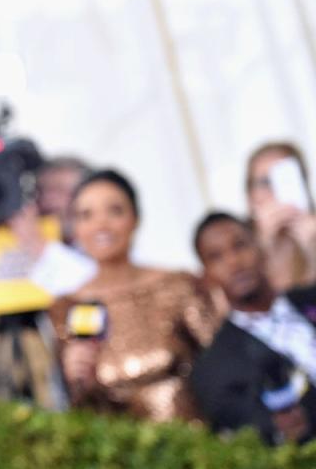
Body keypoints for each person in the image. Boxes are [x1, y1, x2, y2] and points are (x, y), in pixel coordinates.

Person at [49, 170, 217, 422]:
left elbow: (221, 365)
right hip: (121, 452)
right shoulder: (68, 308)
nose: (100, 225)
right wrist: (77, 380)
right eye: (86, 215)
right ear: (75, 228)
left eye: (114, 211)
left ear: (135, 218)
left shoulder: (178, 285)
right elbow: (76, 410)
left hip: (199, 442)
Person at [191, 212, 316, 444]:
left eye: (240, 246)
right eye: (216, 257)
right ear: (206, 276)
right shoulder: (214, 370)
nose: (234, 262)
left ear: (260, 248)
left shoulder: (310, 298)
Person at [245, 142, 316, 292]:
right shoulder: (237, 250)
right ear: (250, 196)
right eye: (265, 182)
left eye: (285, 180)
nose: (275, 192)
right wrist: (267, 249)